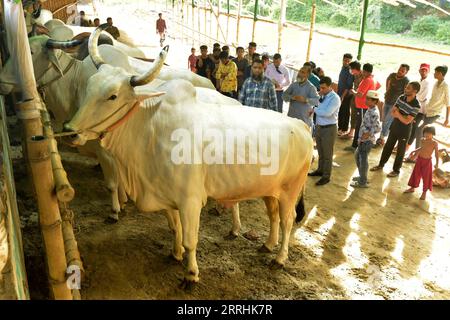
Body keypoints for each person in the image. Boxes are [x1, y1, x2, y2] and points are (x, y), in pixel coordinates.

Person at [370, 82, 421, 177]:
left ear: (415, 91)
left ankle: (396, 171)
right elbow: (393, 113)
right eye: (406, 87)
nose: (405, 89)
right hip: (395, 125)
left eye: (408, 88)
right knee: (388, 147)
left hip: (405, 130)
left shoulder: (417, 105)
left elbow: (407, 121)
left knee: (400, 151)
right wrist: (402, 115)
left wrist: (398, 114)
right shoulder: (401, 97)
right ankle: (381, 165)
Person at [308, 77, 340, 186]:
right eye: (320, 87)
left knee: (327, 154)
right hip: (320, 126)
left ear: (330, 86)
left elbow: (327, 113)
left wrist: (314, 110)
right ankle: (320, 170)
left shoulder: (335, 98)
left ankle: (326, 176)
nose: (321, 90)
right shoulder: (322, 95)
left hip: (329, 128)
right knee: (320, 151)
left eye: (323, 88)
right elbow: (315, 104)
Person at [345, 63, 381, 151]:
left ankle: (355, 146)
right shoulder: (373, 79)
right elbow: (378, 86)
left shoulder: (366, 80)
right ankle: (358, 145)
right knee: (363, 125)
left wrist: (353, 91)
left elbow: (360, 95)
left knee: (359, 126)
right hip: (364, 106)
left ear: (364, 71)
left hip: (362, 106)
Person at [350, 90, 382, 188]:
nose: (366, 100)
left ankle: (362, 181)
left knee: (363, 160)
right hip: (363, 139)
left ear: (375, 102)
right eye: (366, 98)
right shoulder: (370, 109)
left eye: (368, 99)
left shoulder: (374, 113)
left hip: (367, 141)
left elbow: (377, 128)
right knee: (358, 157)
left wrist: (368, 134)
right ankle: (362, 176)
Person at [413, 65, 450, 148]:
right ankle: (419, 153)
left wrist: (447, 119)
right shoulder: (436, 83)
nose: (434, 74)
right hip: (427, 111)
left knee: (420, 130)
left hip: (435, 113)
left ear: (440, 74)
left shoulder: (445, 86)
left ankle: (416, 154)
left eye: (435, 72)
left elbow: (448, 104)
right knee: (419, 129)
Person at [376, 64, 410, 147]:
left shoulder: (406, 81)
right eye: (399, 69)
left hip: (395, 104)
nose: (400, 71)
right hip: (387, 100)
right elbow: (388, 82)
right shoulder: (392, 75)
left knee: (388, 120)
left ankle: (382, 138)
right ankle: (382, 136)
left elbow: (405, 92)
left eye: (402, 71)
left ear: (406, 72)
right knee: (383, 118)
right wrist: (387, 91)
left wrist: (400, 104)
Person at [404, 125, 439, 200]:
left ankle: (424, 192)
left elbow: (436, 153)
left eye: (429, 133)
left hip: (427, 162)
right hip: (419, 160)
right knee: (415, 174)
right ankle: (412, 187)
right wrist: (415, 151)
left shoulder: (434, 143)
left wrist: (437, 163)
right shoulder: (422, 140)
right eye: (425, 133)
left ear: (433, 134)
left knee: (426, 178)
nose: (426, 135)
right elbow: (422, 148)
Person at [406, 63, 432, 155]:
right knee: (411, 126)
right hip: (415, 107)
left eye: (425, 70)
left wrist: (414, 94)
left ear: (428, 71)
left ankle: (408, 148)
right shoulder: (419, 81)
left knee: (415, 128)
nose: (423, 71)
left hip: (421, 110)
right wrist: (414, 94)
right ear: (419, 70)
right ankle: (407, 146)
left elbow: (422, 97)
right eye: (422, 70)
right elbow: (416, 94)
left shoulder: (428, 83)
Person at [340, 61, 363, 140]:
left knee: (359, 117)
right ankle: (351, 132)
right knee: (353, 114)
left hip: (361, 99)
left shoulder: (364, 76)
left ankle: (358, 135)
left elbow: (376, 85)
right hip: (354, 97)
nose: (350, 71)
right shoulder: (354, 75)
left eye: (351, 69)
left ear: (356, 69)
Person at [337, 53, 355, 136]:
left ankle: (343, 129)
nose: (346, 62)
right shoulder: (343, 68)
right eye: (345, 60)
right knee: (342, 110)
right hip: (340, 92)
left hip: (346, 94)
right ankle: (341, 128)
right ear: (343, 60)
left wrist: (342, 96)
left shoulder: (350, 71)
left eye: (348, 61)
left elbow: (348, 86)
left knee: (344, 111)